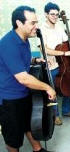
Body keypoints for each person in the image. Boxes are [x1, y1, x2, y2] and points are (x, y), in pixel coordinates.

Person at [0, 6, 56, 152]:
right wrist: (47, 87)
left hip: (24, 93)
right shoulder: (8, 44)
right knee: (13, 139)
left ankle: (37, 149)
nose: (36, 26)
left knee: (28, 124)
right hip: (9, 99)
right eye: (32, 23)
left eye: (36, 22)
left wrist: (35, 60)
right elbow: (23, 78)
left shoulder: (24, 40)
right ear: (19, 23)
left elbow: (20, 61)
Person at [39, 2, 70, 125]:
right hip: (51, 65)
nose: (55, 17)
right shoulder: (41, 29)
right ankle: (55, 115)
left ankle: (67, 111)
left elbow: (66, 42)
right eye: (52, 14)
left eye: (57, 15)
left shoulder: (59, 27)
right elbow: (44, 49)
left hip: (63, 64)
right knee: (53, 91)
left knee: (68, 85)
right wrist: (63, 53)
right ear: (46, 14)